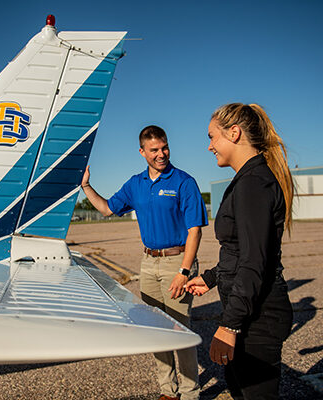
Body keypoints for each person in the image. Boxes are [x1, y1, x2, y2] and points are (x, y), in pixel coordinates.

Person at [81, 125, 208, 400]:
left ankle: (189, 394)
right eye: (154, 150)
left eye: (164, 148)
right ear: (142, 152)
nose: (161, 154)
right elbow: (106, 209)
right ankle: (168, 391)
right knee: (157, 331)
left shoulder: (184, 182)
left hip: (178, 262)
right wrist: (86, 186)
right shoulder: (135, 184)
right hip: (148, 263)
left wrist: (184, 272)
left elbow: (195, 230)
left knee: (180, 331)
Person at [186, 103, 294, 400]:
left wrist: (229, 326)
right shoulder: (248, 180)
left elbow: (253, 261)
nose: (210, 147)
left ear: (234, 133)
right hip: (249, 311)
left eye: (212, 137)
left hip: (258, 317)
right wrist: (210, 278)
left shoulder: (253, 183)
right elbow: (240, 251)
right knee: (238, 389)